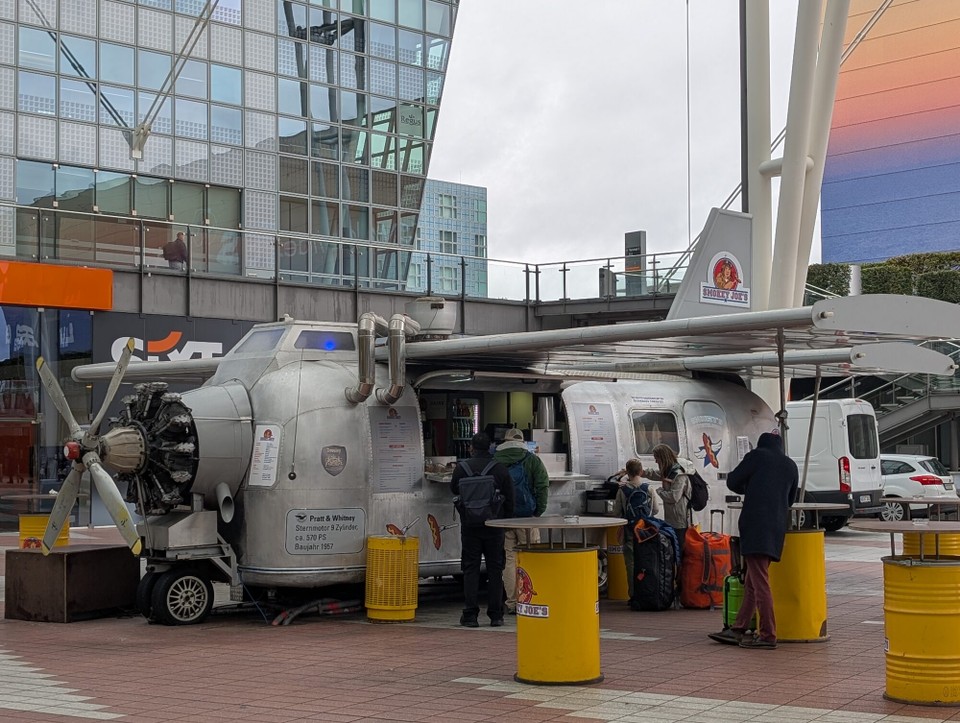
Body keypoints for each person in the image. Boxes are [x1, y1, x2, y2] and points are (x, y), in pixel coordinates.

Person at [708, 432, 798, 650]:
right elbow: (791, 499)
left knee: (760, 583)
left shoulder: (756, 456)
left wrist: (750, 487)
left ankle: (768, 634)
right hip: (776, 527)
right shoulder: (790, 465)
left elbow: (733, 480)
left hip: (755, 525)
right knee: (752, 580)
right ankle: (738, 628)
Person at [450, 432, 515, 628]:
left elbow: (454, 489)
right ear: (490, 448)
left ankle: (470, 615)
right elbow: (510, 498)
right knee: (495, 569)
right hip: (494, 526)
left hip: (470, 526)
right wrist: (506, 519)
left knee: (470, 569)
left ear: (471, 447)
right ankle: (496, 615)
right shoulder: (500, 469)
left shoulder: (462, 468)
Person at [493, 427, 549, 614]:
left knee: (509, 559)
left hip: (505, 518)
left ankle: (512, 603)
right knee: (532, 557)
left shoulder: (495, 461)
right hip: (527, 517)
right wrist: (538, 511)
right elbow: (542, 486)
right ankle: (530, 600)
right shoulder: (532, 460)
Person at [612, 458, 662, 599]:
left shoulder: (623, 490)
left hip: (629, 531)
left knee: (631, 564)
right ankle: (647, 591)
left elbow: (617, 513)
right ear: (641, 471)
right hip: (646, 531)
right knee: (647, 561)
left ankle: (633, 595)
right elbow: (656, 510)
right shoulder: (649, 489)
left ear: (627, 472)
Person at [643, 444, 693, 541]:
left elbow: (673, 497)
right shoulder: (670, 470)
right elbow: (656, 473)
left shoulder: (679, 474)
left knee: (679, 546)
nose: (656, 461)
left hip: (679, 519)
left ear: (663, 457)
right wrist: (642, 472)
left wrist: (659, 491)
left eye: (657, 458)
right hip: (672, 518)